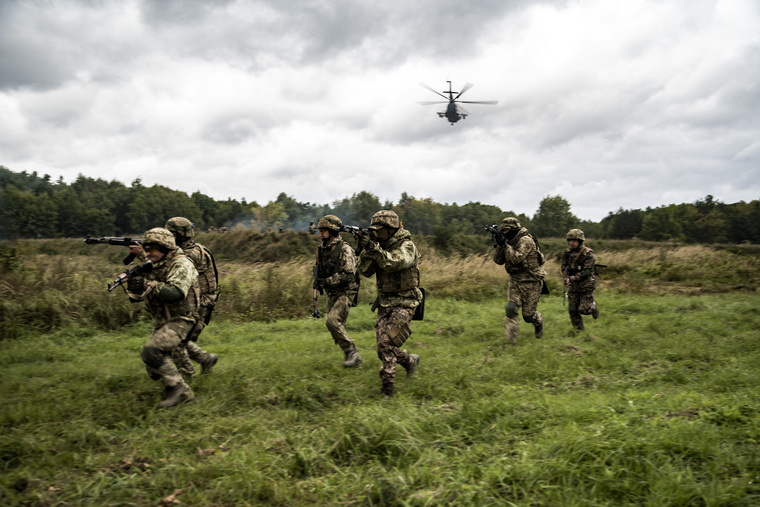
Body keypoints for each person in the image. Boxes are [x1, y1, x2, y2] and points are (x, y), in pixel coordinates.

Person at [125, 227, 201, 408]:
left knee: (152, 352)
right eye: (146, 249)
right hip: (162, 318)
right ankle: (175, 387)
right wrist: (136, 286)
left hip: (183, 318)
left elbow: (175, 293)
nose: (148, 254)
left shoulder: (182, 264)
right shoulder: (156, 264)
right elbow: (138, 297)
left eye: (152, 250)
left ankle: (181, 390)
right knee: (153, 367)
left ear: (166, 248)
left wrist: (148, 284)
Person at [357, 210, 422, 397]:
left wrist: (374, 248)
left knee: (386, 344)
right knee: (383, 349)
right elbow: (365, 270)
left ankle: (387, 389)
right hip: (385, 304)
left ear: (392, 229)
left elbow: (393, 263)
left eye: (380, 231)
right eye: (374, 232)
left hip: (406, 303)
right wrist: (366, 250)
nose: (377, 235)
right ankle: (410, 361)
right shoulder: (379, 247)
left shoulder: (407, 246)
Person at [164, 217, 220, 378]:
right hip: (192, 300)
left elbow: (169, 269)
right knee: (174, 337)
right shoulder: (186, 250)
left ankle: (186, 380)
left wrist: (144, 254)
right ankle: (206, 359)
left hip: (200, 303)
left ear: (178, 235)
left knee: (174, 340)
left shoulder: (191, 253)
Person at [313, 215, 363, 368]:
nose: (322, 233)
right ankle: (353, 358)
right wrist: (318, 281)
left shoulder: (345, 248)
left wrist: (327, 281)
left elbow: (349, 275)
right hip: (332, 292)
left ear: (333, 231)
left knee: (332, 321)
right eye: (320, 230)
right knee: (337, 326)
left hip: (346, 290)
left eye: (325, 230)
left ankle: (352, 352)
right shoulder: (322, 249)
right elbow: (320, 269)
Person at [492, 217, 546, 344]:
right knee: (510, 309)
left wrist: (505, 245)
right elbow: (498, 260)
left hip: (531, 280)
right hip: (515, 280)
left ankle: (538, 321)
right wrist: (500, 245)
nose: (505, 233)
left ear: (514, 229)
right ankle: (511, 342)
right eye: (502, 231)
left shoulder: (526, 240)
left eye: (506, 230)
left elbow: (516, 258)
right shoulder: (508, 240)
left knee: (528, 315)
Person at [561, 228, 599, 331]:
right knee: (572, 309)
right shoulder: (567, 252)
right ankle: (579, 331)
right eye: (570, 240)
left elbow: (586, 272)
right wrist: (565, 273)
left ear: (580, 241)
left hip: (586, 284)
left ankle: (593, 305)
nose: (571, 243)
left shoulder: (588, 254)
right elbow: (564, 265)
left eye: (574, 240)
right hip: (574, 286)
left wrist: (571, 279)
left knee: (584, 310)